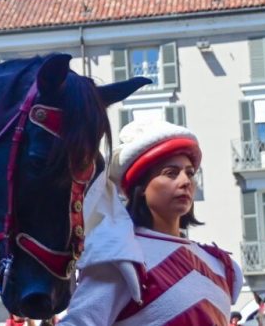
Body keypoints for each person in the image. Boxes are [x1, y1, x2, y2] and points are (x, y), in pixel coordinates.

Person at [60, 120, 243, 325]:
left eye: (190, 173)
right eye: (171, 173)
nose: (185, 181)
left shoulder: (218, 264)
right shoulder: (120, 257)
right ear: (141, 186)